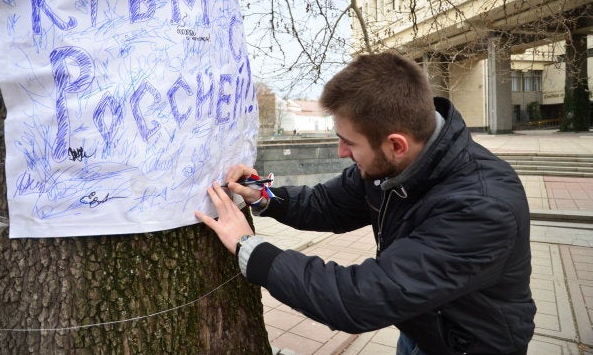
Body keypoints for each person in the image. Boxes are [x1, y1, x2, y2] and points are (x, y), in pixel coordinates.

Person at [195, 52, 536, 355]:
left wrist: (248, 247)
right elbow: (326, 204)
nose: (341, 152)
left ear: (396, 145)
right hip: (421, 328)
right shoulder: (388, 166)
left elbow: (360, 299)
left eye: (348, 142)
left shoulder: (482, 208)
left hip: (469, 345)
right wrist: (263, 195)